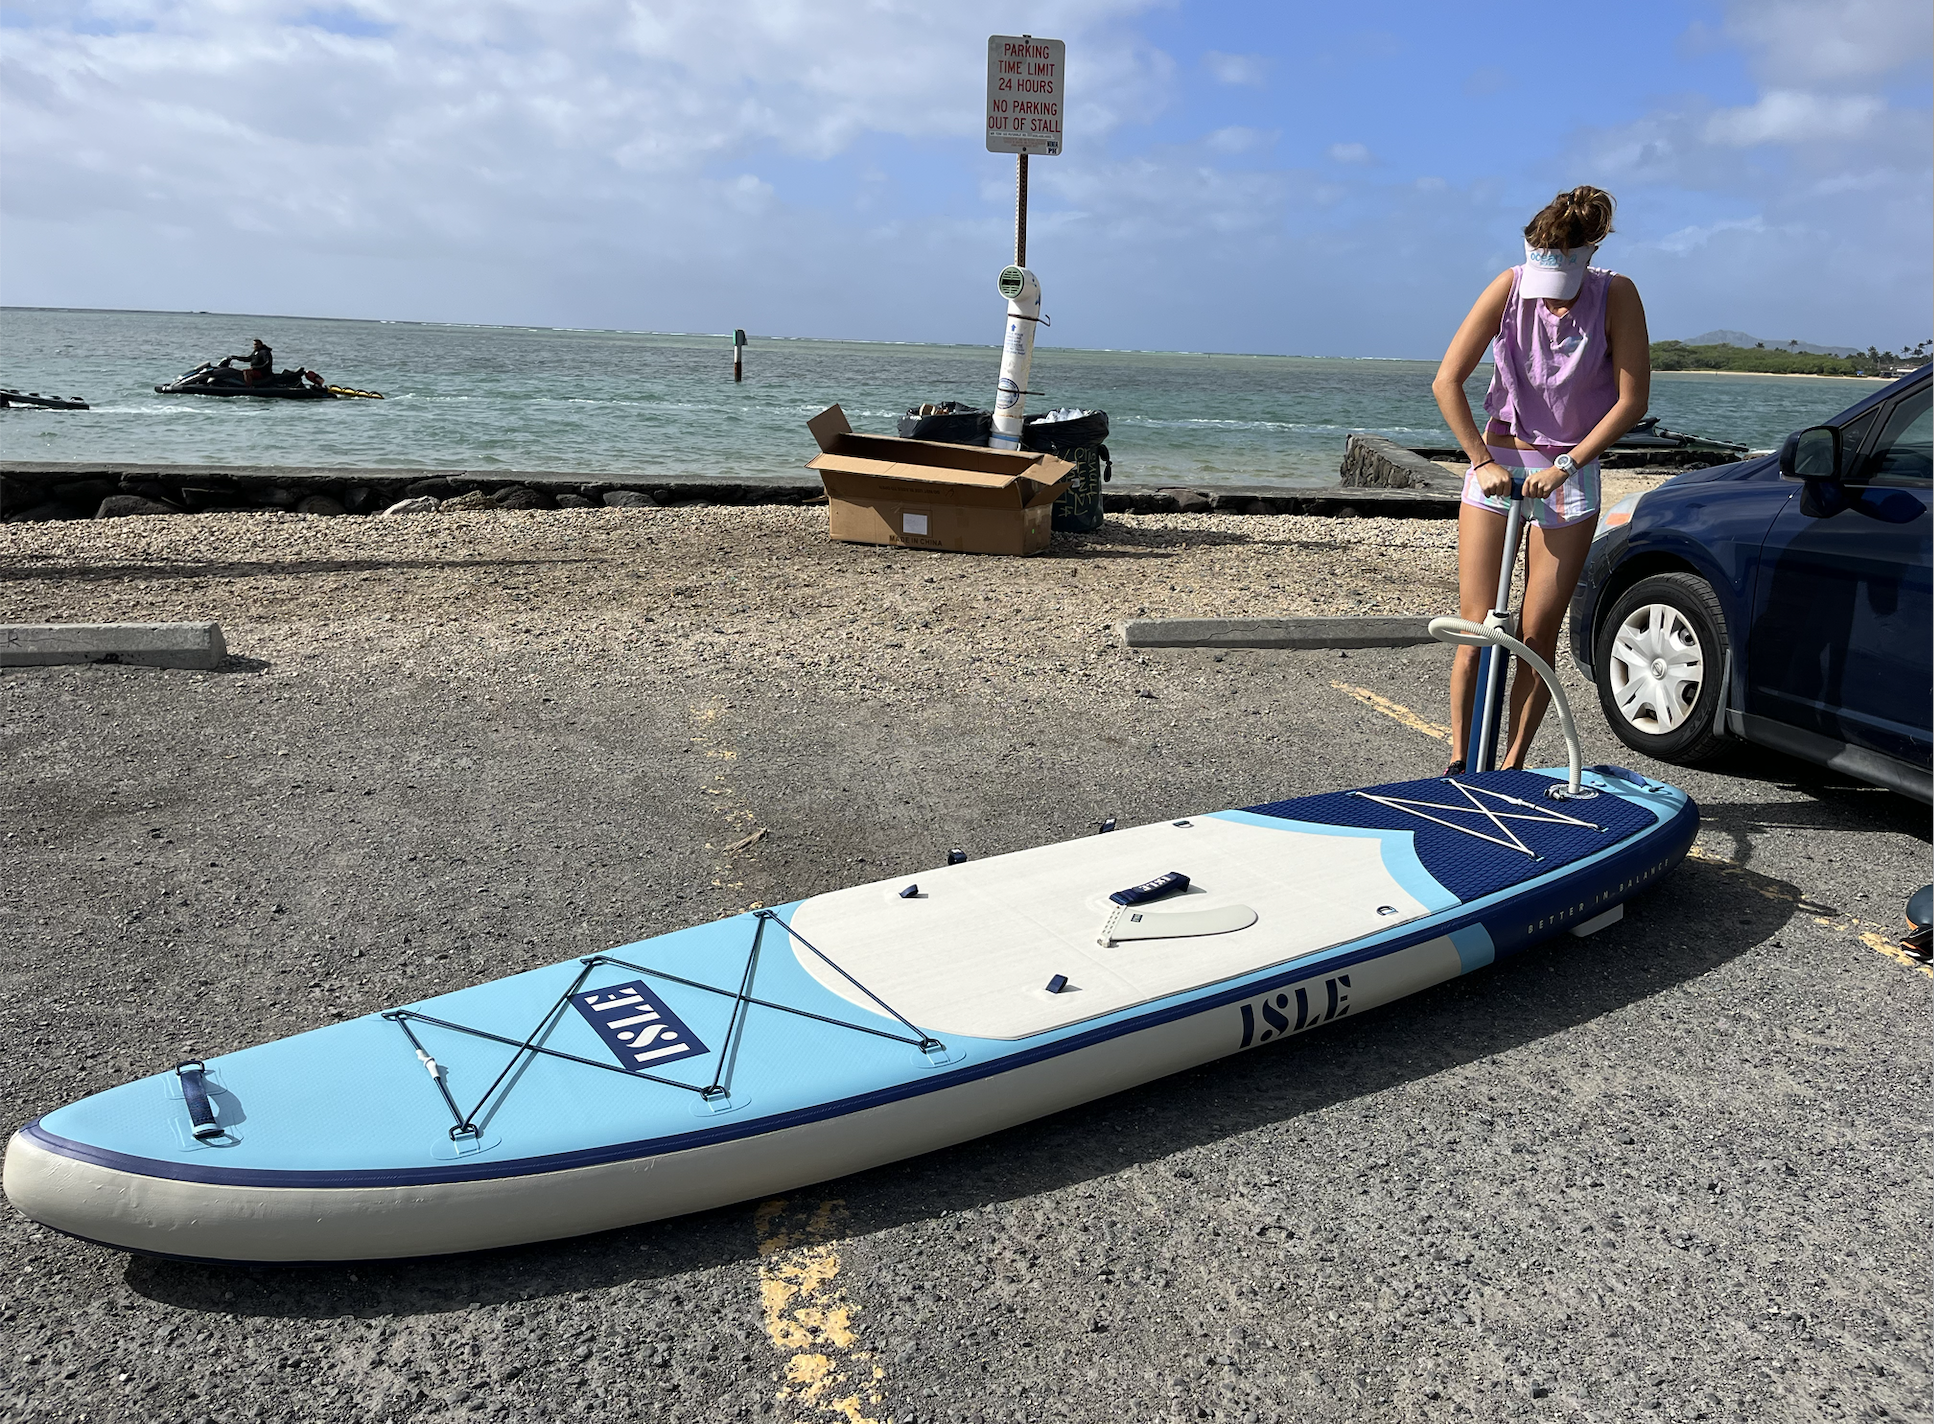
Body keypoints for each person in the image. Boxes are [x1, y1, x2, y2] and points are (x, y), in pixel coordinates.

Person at [1432, 185, 1651, 773]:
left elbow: (1631, 401)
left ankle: (1512, 765)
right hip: (1498, 467)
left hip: (1568, 474)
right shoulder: (1509, 285)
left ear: (1591, 249)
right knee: (1477, 625)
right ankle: (1459, 760)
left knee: (1534, 629)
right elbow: (1446, 381)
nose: (1550, 303)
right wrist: (1481, 460)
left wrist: (1568, 464)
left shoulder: (1616, 293)